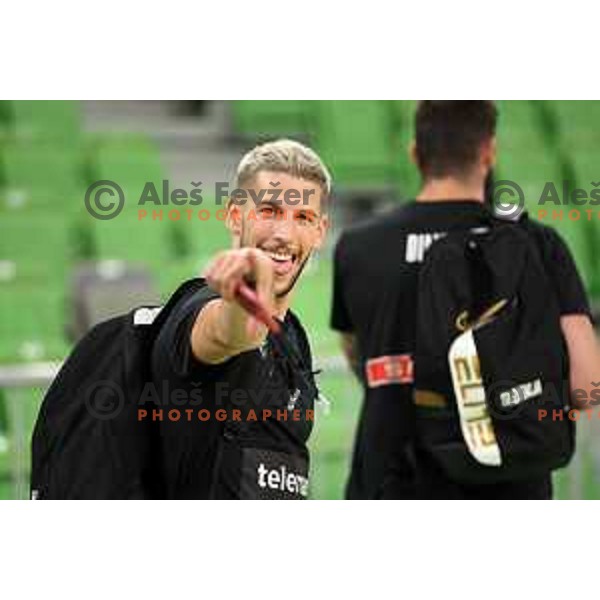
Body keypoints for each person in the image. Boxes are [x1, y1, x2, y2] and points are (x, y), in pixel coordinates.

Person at [331, 100, 600, 499]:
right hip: (509, 486)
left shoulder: (358, 247)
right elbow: (587, 384)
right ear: (489, 152)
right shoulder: (536, 245)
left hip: (389, 483)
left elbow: (359, 355)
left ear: (415, 155)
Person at [152, 139, 330, 499]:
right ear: (235, 216)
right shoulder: (200, 308)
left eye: (303, 218)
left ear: (320, 233)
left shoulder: (293, 336)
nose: (284, 234)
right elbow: (231, 333)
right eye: (269, 212)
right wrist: (245, 297)